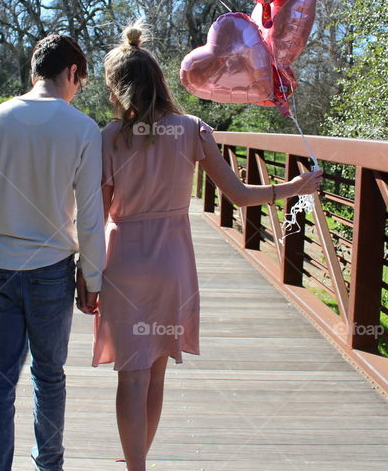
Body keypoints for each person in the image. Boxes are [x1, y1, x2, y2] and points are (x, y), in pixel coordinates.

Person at [86, 23, 324, 471]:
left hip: (124, 261)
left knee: (131, 374)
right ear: (158, 80)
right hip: (173, 262)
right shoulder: (192, 130)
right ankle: (141, 461)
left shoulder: (107, 138)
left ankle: (134, 464)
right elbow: (238, 195)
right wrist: (293, 186)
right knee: (156, 369)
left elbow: (96, 217)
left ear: (116, 88)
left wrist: (88, 274)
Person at [0, 33, 105, 471]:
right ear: (72, 73)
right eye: (79, 82)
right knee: (49, 376)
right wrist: (91, 277)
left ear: (34, 71)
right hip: (52, 270)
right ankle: (49, 465)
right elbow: (90, 217)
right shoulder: (83, 128)